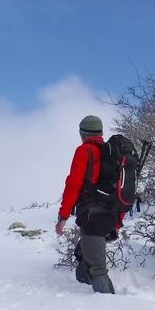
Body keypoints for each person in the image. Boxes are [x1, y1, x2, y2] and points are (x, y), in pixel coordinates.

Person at [55, 115, 121, 294]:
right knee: (82, 253)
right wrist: (117, 223)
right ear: (100, 132)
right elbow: (122, 189)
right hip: (111, 215)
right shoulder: (113, 153)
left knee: (97, 268)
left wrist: (63, 217)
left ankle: (109, 307)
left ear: (82, 133)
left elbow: (73, 184)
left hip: (93, 216)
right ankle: (83, 293)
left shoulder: (84, 151)